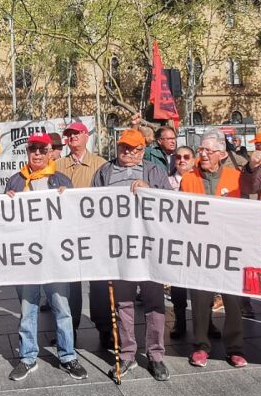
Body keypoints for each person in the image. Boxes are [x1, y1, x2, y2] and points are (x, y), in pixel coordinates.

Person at [5, 133, 88, 381]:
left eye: (42, 150)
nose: (38, 154)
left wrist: (68, 198)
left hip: (54, 257)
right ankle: (28, 357)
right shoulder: (15, 181)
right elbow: (3, 222)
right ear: (28, 152)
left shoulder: (61, 180)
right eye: (33, 149)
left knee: (61, 307)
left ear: (51, 151)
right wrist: (6, 201)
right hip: (27, 257)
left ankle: (68, 356)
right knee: (28, 308)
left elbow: (74, 218)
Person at [92, 129, 172, 381]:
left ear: (142, 150)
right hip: (119, 250)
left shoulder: (154, 171)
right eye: (124, 147)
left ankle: (155, 355)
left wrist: (150, 190)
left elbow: (172, 203)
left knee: (155, 303)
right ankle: (127, 354)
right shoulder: (105, 171)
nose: (127, 152)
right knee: (123, 304)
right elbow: (90, 205)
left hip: (149, 249)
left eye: (133, 148)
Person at [180, 133, 246, 368]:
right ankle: (201, 345)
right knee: (200, 298)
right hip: (199, 248)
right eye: (201, 150)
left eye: (208, 150)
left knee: (232, 299)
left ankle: (235, 348)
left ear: (222, 154)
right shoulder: (188, 179)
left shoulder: (236, 178)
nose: (203, 154)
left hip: (229, 246)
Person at [57, 120, 108, 344]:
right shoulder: (56, 165)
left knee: (99, 284)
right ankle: (71, 328)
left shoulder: (101, 164)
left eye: (77, 133)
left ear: (87, 136)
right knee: (71, 285)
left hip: (94, 233)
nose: (72, 137)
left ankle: (105, 328)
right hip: (67, 234)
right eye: (69, 134)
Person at [167, 146, 198, 339]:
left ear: (193, 159)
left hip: (197, 239)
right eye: (178, 157)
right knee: (177, 284)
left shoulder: (200, 180)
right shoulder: (166, 182)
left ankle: (206, 321)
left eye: (186, 156)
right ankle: (179, 320)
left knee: (201, 284)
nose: (182, 160)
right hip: (176, 238)